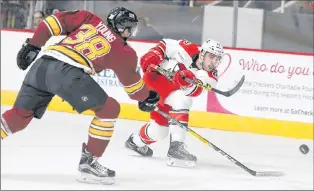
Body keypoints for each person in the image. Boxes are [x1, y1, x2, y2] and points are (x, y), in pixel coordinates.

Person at [0, 7, 159, 185]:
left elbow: (52, 23)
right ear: (123, 28)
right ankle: (89, 163)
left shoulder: (89, 18)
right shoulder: (125, 52)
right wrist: (147, 97)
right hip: (66, 73)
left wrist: (34, 44)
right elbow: (134, 90)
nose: (131, 32)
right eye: (131, 28)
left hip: (42, 65)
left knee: (18, 117)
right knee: (109, 109)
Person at [125, 38, 224, 168]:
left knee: (160, 132)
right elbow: (164, 45)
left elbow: (195, 91)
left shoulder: (211, 76)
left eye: (218, 59)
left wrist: (186, 83)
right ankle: (176, 147)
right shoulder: (187, 47)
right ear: (202, 53)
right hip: (153, 84)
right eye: (211, 56)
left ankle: (135, 141)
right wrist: (154, 55)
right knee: (182, 100)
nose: (214, 62)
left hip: (169, 97)